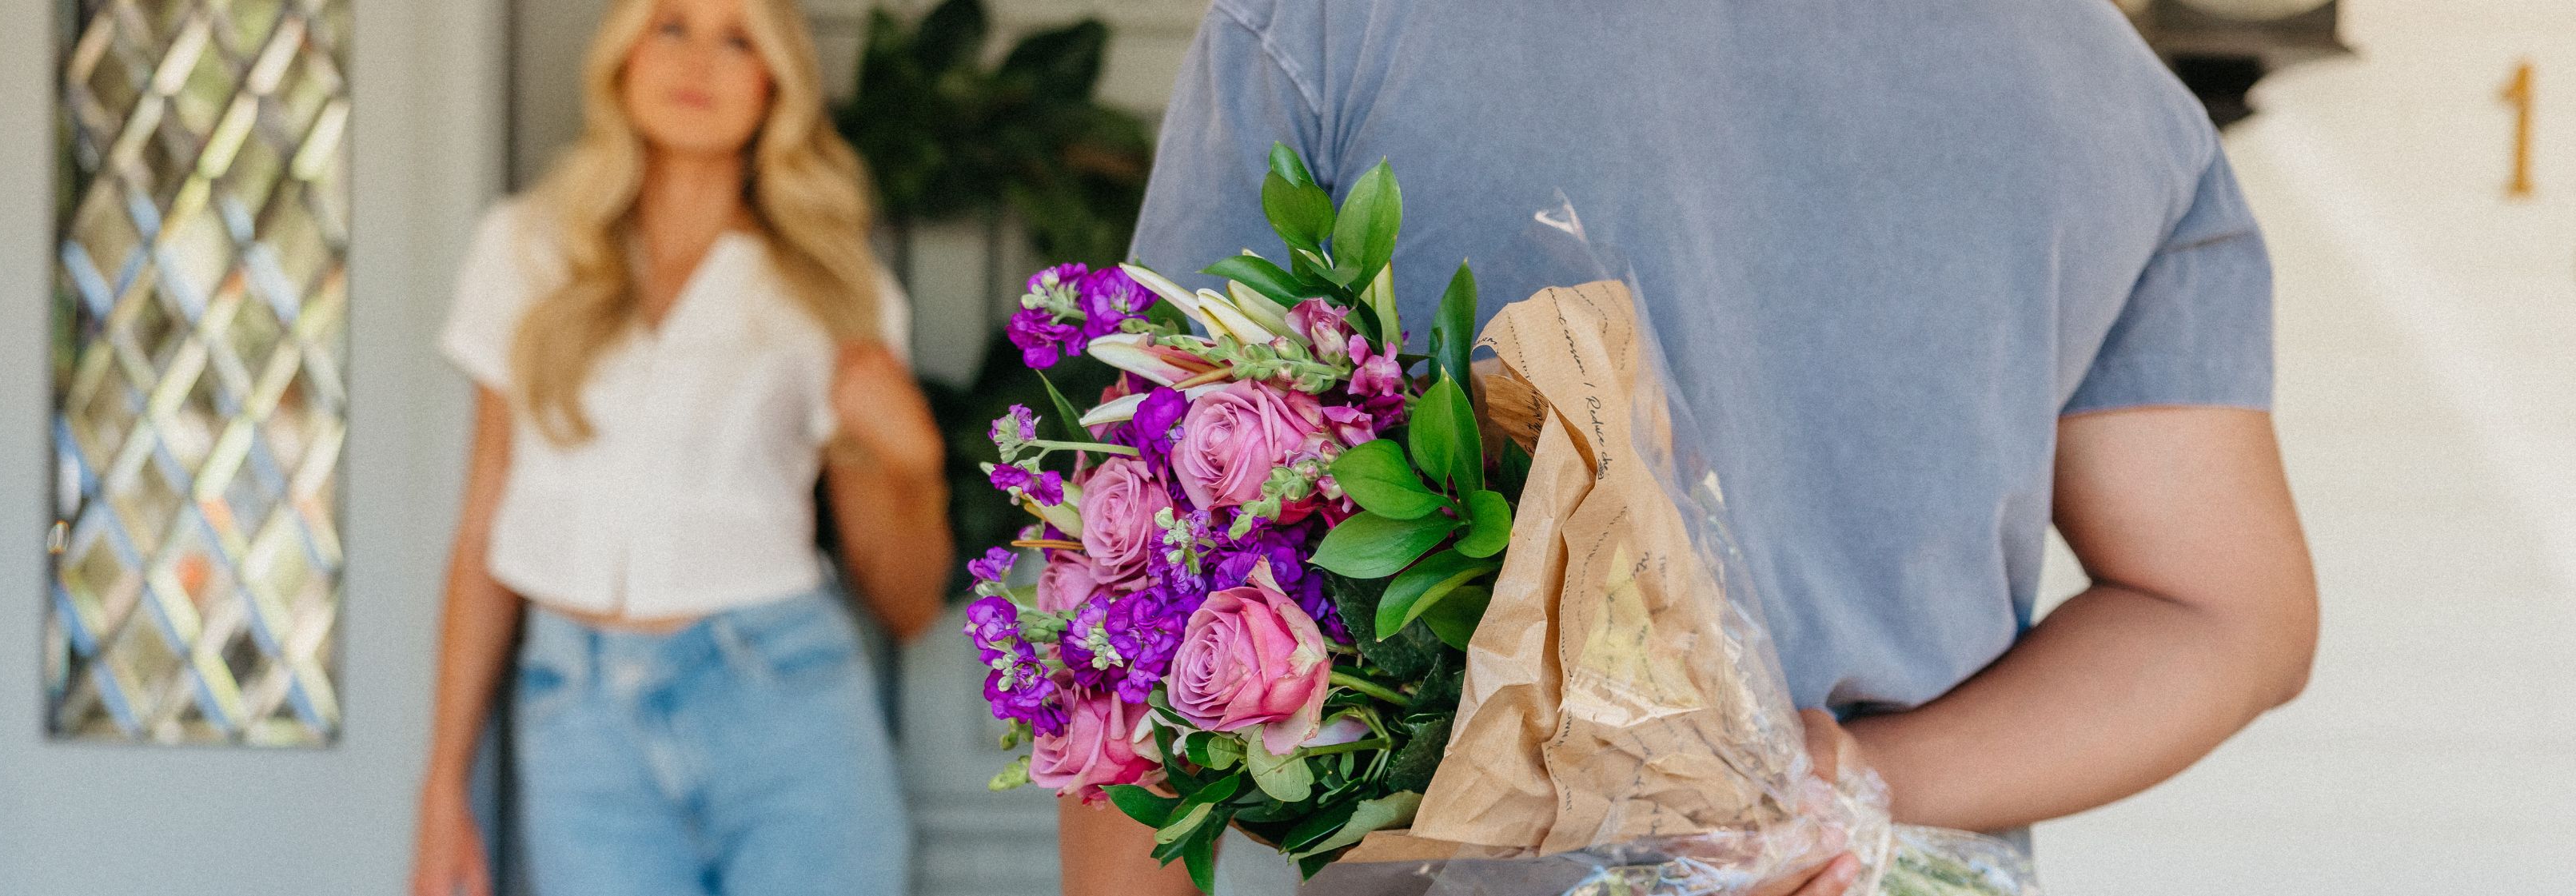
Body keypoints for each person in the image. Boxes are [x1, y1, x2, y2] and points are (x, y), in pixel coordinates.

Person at [1072, 1, 2321, 894]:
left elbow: (1136, 581)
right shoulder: (2101, 84)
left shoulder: (1341, 23)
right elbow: (2223, 612)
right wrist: (1835, 783)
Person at [408, 0, 949, 894]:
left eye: (738, 38)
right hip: (578, 726)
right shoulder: (526, 249)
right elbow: (481, 538)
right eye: (671, 25)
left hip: (783, 708)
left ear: (775, 82)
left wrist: (914, 466)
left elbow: (906, 601)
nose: (697, 60)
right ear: (621, 56)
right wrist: (443, 787)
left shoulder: (833, 289)